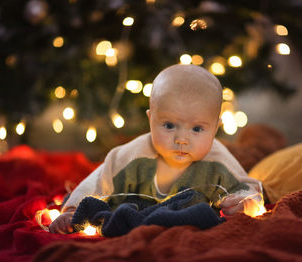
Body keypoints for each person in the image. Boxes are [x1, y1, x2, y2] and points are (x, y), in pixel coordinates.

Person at [49, 64, 263, 234]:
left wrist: (245, 204)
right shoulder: (132, 155)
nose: (181, 139)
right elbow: (97, 181)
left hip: (190, 221)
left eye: (197, 128)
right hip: (134, 213)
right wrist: (72, 210)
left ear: (216, 128)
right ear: (151, 119)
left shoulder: (218, 160)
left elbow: (247, 187)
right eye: (169, 126)